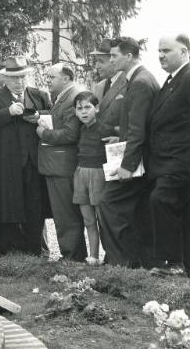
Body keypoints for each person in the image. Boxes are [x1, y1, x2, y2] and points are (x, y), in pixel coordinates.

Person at [98, 37, 159, 268]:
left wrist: (127, 165)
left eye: (114, 56)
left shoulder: (141, 82)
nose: (111, 60)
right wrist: (119, 137)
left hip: (137, 162)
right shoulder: (140, 79)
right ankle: (134, 261)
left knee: (108, 203)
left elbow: (138, 130)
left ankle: (120, 261)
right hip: (140, 158)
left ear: (129, 56)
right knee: (135, 211)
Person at [0, 56, 52, 255]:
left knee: (35, 206)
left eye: (22, 77)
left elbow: (53, 114)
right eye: (14, 78)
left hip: (34, 160)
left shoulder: (37, 95)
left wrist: (39, 116)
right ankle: (9, 247)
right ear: (5, 79)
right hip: (7, 162)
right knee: (9, 204)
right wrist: (8, 112)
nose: (19, 82)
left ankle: (35, 248)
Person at [147, 35, 190, 276]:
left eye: (166, 50)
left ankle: (172, 262)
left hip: (180, 160)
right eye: (159, 50)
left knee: (161, 200)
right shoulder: (173, 79)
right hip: (168, 160)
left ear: (184, 52)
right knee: (181, 211)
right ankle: (181, 266)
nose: (161, 55)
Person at [37, 63, 87, 262]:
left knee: (65, 214)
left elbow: (70, 133)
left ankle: (72, 256)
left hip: (62, 165)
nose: (47, 80)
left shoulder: (74, 96)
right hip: (58, 164)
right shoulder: (66, 96)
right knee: (64, 214)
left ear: (66, 78)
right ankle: (73, 254)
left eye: (51, 77)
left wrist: (44, 133)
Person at [73, 91, 113, 266]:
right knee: (88, 219)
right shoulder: (81, 129)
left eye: (88, 107)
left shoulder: (104, 129)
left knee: (103, 219)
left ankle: (111, 256)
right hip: (81, 174)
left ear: (96, 108)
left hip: (98, 175)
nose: (83, 112)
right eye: (79, 108)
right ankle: (93, 256)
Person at [90, 39, 127, 130]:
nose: (97, 66)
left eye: (101, 61)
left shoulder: (129, 84)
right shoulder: (98, 87)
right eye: (96, 61)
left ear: (113, 60)